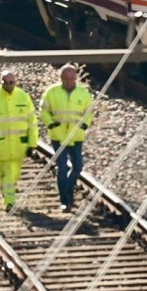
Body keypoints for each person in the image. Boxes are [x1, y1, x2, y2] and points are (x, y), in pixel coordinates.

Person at [0, 67, 38, 212]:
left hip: (19, 146)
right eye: (6, 82)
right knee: (7, 174)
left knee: (13, 175)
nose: (9, 85)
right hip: (2, 145)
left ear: (15, 82)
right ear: (1, 82)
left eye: (12, 82)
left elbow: (32, 122)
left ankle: (8, 198)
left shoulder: (23, 97)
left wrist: (32, 143)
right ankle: (10, 202)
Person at [40, 64, 93, 212]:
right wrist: (51, 125)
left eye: (71, 78)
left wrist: (85, 125)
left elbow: (89, 112)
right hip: (58, 136)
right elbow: (43, 111)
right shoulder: (51, 92)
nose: (69, 81)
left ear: (75, 78)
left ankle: (68, 189)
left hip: (76, 136)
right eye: (66, 78)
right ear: (61, 78)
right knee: (62, 167)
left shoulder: (83, 93)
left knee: (78, 167)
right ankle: (65, 200)